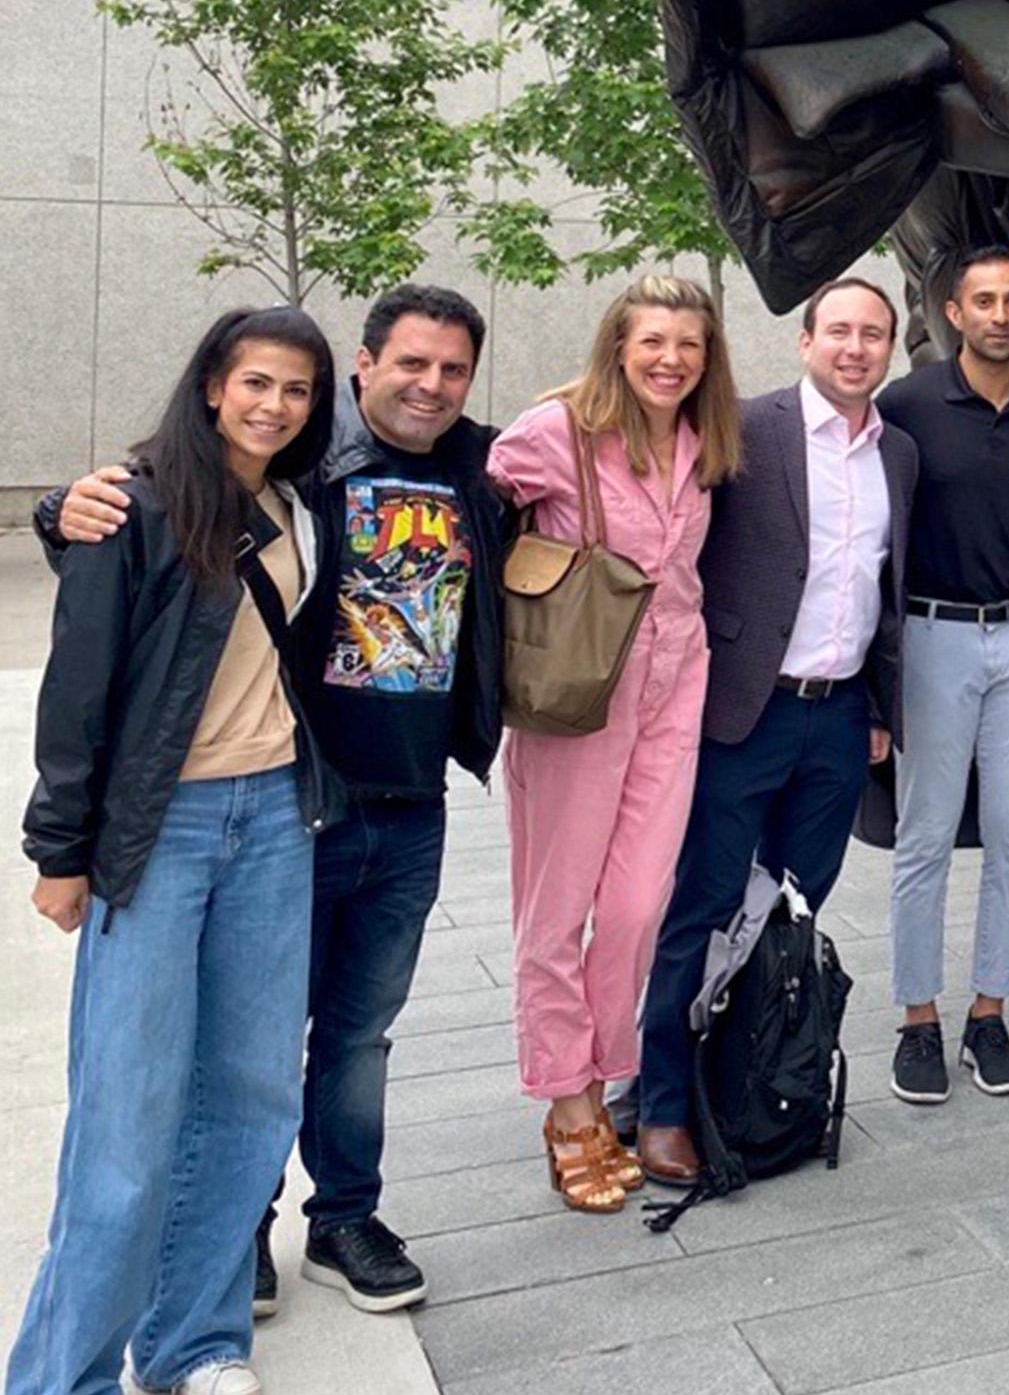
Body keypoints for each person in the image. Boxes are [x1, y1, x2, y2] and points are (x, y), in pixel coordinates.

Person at [38, 286, 504, 1318]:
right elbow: (160, 516)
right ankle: (231, 1228)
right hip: (296, 803)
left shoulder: (484, 467)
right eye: (411, 364)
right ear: (366, 366)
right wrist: (55, 510)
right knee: (246, 1039)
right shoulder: (302, 465)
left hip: (413, 798)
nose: (430, 385)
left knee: (359, 1030)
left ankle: (342, 1218)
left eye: (453, 370)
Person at [13, 307, 341, 1395]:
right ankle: (64, 1375)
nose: (273, 405)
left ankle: (197, 1343)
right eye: (255, 382)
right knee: (128, 1113)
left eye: (295, 390)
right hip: (165, 832)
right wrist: (61, 849)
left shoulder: (299, 504)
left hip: (273, 825)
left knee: (250, 1094)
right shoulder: (140, 506)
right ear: (212, 385)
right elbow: (78, 691)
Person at [630, 276, 917, 1184]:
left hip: (836, 722)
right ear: (805, 342)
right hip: (739, 712)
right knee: (704, 906)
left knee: (793, 908)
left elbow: (879, 594)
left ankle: (749, 1073)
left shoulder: (898, 454)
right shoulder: (743, 431)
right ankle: (661, 1102)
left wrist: (874, 709)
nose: (855, 348)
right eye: (839, 331)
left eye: (874, 334)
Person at [490, 274, 738, 1213]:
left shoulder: (702, 441)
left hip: (677, 685)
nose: (671, 358)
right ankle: (568, 1103)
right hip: (576, 691)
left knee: (637, 906)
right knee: (555, 910)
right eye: (653, 342)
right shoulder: (553, 435)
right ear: (618, 347)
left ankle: (601, 1071)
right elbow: (470, 502)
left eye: (689, 344)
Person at [877, 246, 1009, 1104]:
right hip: (934, 637)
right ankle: (917, 1019)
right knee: (923, 838)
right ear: (952, 313)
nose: (1000, 314)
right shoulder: (906, 405)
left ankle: (989, 1012)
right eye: (983, 301)